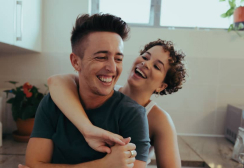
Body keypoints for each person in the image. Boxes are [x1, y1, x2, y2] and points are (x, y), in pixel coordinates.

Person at [23, 13, 151, 168]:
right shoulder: (53, 103)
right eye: (101, 57)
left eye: (118, 59)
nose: (112, 68)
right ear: (76, 62)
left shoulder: (132, 114)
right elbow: (33, 163)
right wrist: (104, 165)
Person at [45, 39, 187, 168]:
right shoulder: (102, 88)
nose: (146, 63)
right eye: (145, 57)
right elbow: (56, 81)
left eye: (157, 67)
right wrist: (87, 129)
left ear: (161, 86)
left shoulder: (160, 120)